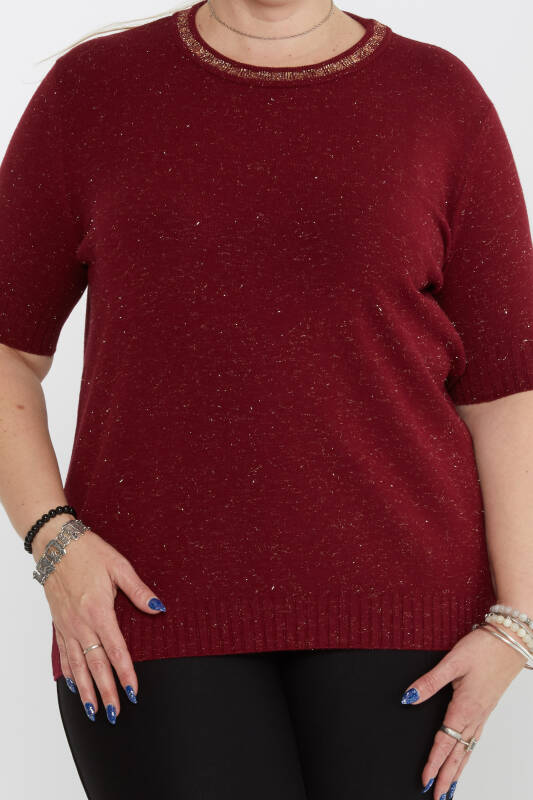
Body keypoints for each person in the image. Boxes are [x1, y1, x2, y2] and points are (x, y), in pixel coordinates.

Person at [1, 1, 533, 798]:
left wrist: (518, 620)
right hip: (144, 607)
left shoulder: (437, 95)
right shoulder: (95, 90)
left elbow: (504, 387)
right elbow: (7, 350)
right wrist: (53, 541)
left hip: (401, 615)